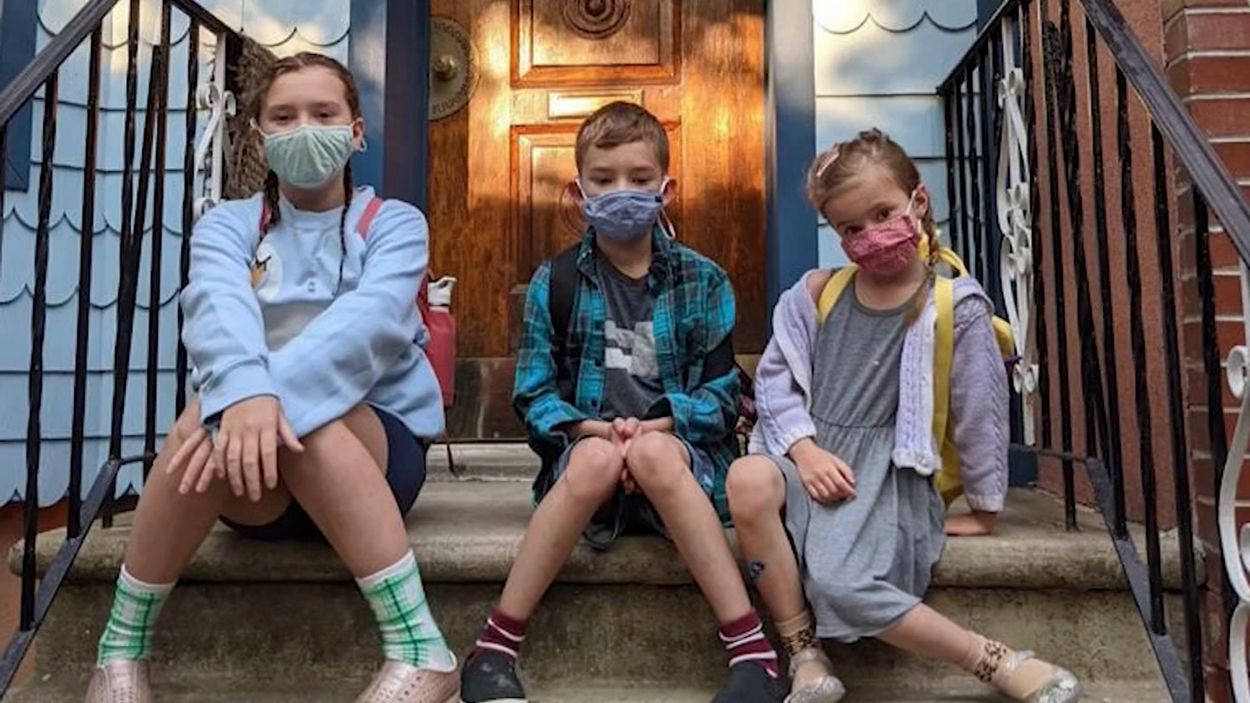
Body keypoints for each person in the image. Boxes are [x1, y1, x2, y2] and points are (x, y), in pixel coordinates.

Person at [85, 52, 458, 703]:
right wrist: (239, 399)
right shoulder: (226, 226)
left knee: (295, 421)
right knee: (204, 416)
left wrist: (259, 396)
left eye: (324, 113)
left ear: (356, 132)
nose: (304, 127)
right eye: (284, 117)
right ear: (259, 140)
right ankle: (119, 654)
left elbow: (371, 324)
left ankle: (420, 647)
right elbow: (216, 311)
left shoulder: (394, 224)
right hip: (255, 475)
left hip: (375, 455)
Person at [726, 129, 1080, 703]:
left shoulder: (954, 307)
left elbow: (981, 411)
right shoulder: (815, 295)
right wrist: (804, 451)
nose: (869, 235)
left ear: (917, 201)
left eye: (882, 213)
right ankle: (805, 654)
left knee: (842, 584)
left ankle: (992, 658)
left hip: (886, 473)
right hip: (811, 458)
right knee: (746, 477)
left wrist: (985, 506)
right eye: (850, 228)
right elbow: (775, 383)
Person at [457, 101, 786, 703]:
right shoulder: (554, 282)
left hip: (679, 464)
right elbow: (533, 394)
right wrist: (599, 433)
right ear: (579, 192)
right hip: (590, 464)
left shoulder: (704, 280)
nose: (621, 192)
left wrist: (655, 429)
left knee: (653, 455)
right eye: (604, 180)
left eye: (639, 178)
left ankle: (752, 651)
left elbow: (723, 397)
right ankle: (496, 647)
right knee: (597, 460)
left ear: (666, 189)